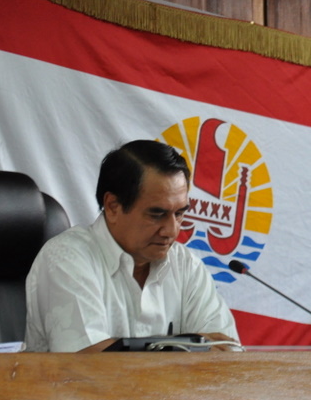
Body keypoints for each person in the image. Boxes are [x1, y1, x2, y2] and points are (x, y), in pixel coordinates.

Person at [25, 140, 243, 352]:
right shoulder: (66, 258)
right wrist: (186, 346)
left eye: (179, 214)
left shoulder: (186, 265)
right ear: (112, 207)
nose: (172, 231)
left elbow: (226, 352)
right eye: (157, 214)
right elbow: (86, 362)